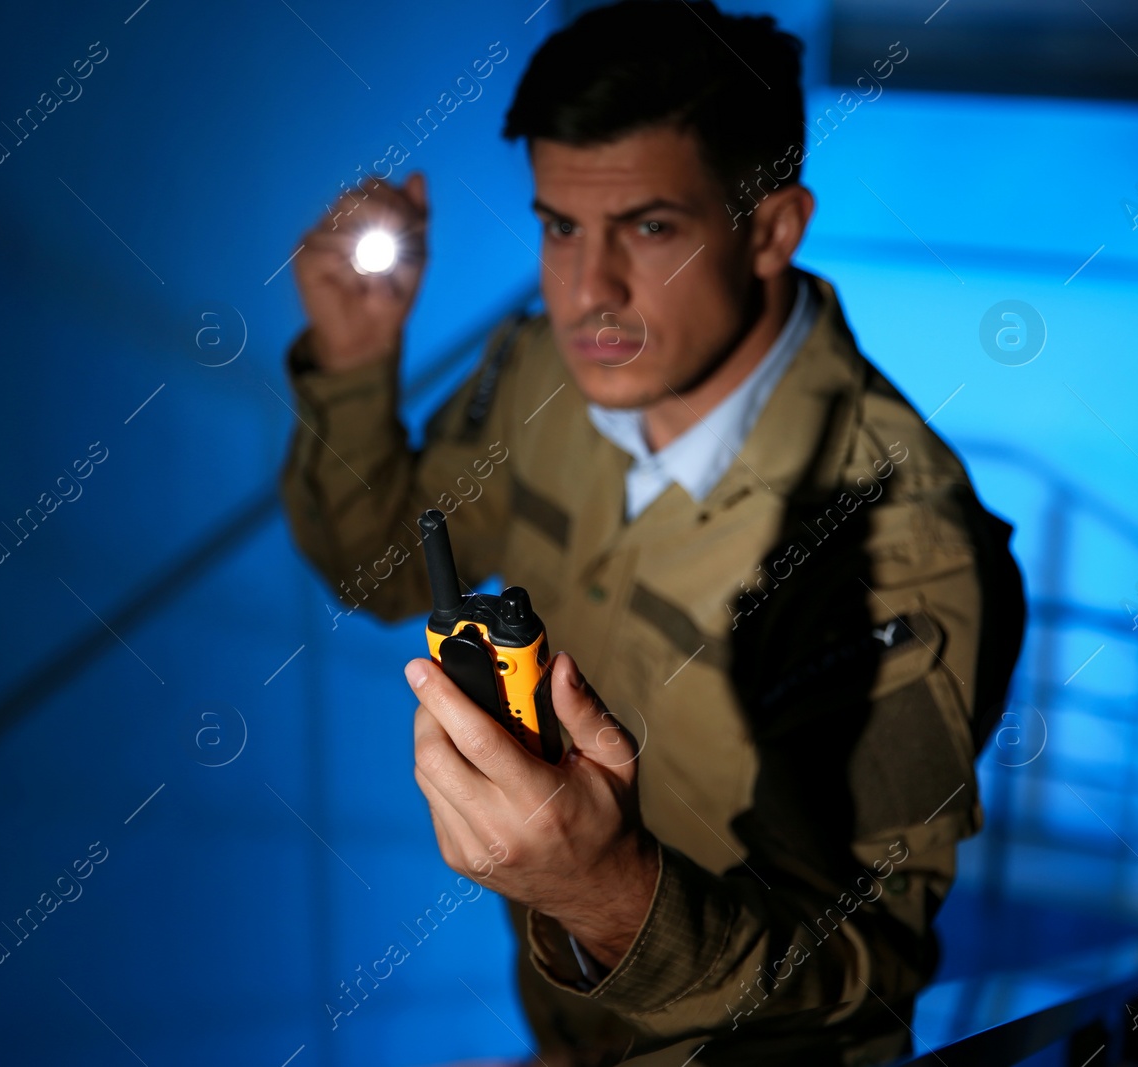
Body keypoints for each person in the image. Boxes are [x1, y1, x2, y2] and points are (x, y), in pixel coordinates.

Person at [279, 1, 1026, 1063]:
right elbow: (383, 569)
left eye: (650, 227)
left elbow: (857, 981)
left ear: (770, 228)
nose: (589, 293)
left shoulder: (900, 551)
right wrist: (355, 367)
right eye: (559, 227)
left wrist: (611, 900)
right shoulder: (541, 368)